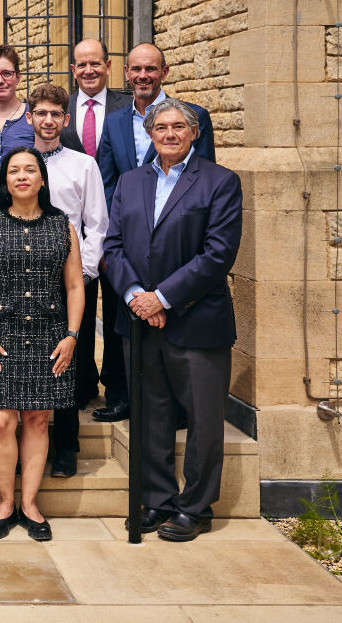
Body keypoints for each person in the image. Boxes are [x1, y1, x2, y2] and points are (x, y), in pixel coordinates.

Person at [103, 98, 242, 542]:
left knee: (202, 418)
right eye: (160, 127)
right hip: (139, 321)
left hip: (196, 321)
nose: (168, 134)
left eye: (178, 126)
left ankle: (196, 507)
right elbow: (113, 246)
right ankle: (158, 500)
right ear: (149, 133)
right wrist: (135, 297)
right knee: (151, 415)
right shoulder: (130, 181)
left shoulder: (220, 182)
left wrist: (162, 298)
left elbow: (217, 254)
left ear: (194, 132)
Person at [94, 41, 215, 423]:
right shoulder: (114, 121)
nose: (143, 76)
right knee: (122, 317)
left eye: (151, 69)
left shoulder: (193, 116)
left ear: (163, 72)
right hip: (128, 240)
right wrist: (119, 233)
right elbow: (108, 180)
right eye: (136, 70)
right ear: (126, 74)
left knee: (174, 314)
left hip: (178, 242)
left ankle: (176, 402)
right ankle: (125, 395)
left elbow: (204, 178)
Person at [0, 146, 84, 542]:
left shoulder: (62, 225)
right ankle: (5, 502)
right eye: (14, 170)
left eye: (29, 170)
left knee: (37, 418)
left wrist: (72, 336)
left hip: (49, 336)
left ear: (42, 179)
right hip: (0, 335)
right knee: (1, 421)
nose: (22, 176)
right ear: (5, 181)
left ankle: (30, 504)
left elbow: (74, 285)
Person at [26, 83, 108, 478]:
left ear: (65, 119)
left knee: (67, 360)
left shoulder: (82, 164)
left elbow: (97, 225)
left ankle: (66, 445)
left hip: (71, 279)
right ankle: (30, 443)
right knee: (30, 359)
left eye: (55, 114)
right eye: (40, 113)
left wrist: (84, 273)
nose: (47, 120)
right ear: (30, 118)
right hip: (24, 277)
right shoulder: (18, 162)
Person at [58, 38, 132, 426]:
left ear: (108, 65)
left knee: (118, 312)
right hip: (72, 233)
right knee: (78, 313)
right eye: (80, 64)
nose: (88, 70)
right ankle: (82, 383)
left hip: (119, 232)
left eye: (95, 64)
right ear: (73, 69)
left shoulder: (127, 108)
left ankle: (119, 391)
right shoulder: (62, 111)